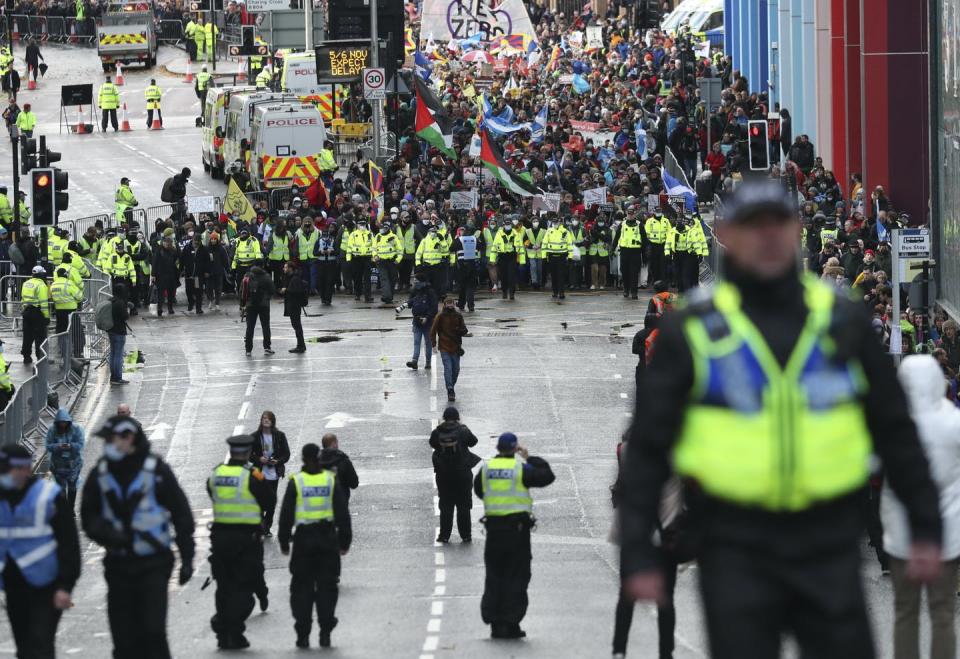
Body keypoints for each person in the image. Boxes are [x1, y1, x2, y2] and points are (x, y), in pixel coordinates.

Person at [619, 182, 943, 658]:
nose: (767, 237)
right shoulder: (692, 328)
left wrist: (925, 527)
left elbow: (895, 431)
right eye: (753, 227)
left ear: (796, 232)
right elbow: (648, 446)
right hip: (734, 544)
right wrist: (637, 549)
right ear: (727, 234)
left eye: (779, 224)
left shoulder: (841, 320)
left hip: (828, 540)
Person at [80, 415, 195, 659]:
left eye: (111, 440)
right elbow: (88, 517)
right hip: (118, 565)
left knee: (153, 632)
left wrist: (187, 558)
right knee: (124, 640)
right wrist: (110, 536)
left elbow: (181, 513)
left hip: (154, 563)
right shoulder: (100, 473)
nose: (107, 445)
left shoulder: (156, 470)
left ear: (128, 438)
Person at [881, 355, 960, 659]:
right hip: (946, 532)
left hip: (902, 533)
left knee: (905, 611)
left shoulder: (893, 423)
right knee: (942, 613)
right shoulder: (953, 421)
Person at [0, 444, 80, 658]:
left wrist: (65, 586)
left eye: (7, 469)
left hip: (46, 586)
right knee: (25, 648)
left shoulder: (48, 496)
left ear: (25, 469)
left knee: (41, 645)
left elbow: (69, 544)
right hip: (13, 585)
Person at [474, 432, 555, 639]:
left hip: (494, 531)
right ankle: (510, 623)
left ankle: (494, 622)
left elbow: (480, 490)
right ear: (514, 449)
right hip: (517, 532)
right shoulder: (521, 469)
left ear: (498, 449)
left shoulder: (487, 469)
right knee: (516, 575)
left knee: (495, 576)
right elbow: (547, 475)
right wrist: (528, 457)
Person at [278, 443, 352, 649]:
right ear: (319, 457)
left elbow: (286, 515)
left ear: (302, 458)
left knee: (301, 588)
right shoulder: (330, 480)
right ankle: (325, 632)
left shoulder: (296, 482)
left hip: (303, 542)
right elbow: (342, 513)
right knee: (327, 587)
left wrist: (284, 541)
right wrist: (344, 541)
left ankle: (303, 633)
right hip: (327, 540)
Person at [207, 434, 271, 650]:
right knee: (244, 589)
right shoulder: (252, 476)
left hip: (220, 541)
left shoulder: (216, 473)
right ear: (246, 453)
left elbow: (211, 492)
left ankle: (224, 634)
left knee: (224, 587)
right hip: (246, 542)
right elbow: (269, 500)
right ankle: (231, 629)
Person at [430, 407, 479, 543]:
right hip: (463, 474)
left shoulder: (437, 432)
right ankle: (466, 535)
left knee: (446, 505)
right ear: (457, 417)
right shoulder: (463, 431)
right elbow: (474, 442)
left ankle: (444, 535)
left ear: (444, 417)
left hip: (444, 475)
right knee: (464, 505)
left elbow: (432, 444)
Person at [249, 411, 291, 536]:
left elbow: (286, 454)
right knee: (259, 500)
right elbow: (249, 455)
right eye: (264, 418)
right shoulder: (255, 436)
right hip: (259, 473)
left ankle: (267, 526)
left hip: (273, 474)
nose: (266, 420)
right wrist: (258, 459)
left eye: (268, 418)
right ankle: (261, 524)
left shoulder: (280, 436)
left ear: (273, 421)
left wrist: (278, 461)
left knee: (271, 501)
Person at [44, 408, 85, 510]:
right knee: (61, 489)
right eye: (61, 423)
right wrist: (58, 446)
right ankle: (64, 510)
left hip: (73, 464)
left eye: (65, 422)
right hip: (58, 465)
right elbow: (48, 446)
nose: (63, 425)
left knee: (72, 487)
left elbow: (80, 444)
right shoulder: (52, 430)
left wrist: (70, 446)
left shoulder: (76, 429)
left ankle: (71, 509)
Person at [430, 297, 468, 402]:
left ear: (454, 304)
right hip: (444, 346)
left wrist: (461, 331)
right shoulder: (440, 316)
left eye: (451, 303)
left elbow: (464, 329)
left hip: (456, 347)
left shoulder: (458, 316)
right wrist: (433, 345)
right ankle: (450, 389)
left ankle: (451, 385)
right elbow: (433, 331)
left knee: (456, 370)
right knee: (448, 368)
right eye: (448, 303)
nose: (450, 305)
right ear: (444, 305)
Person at [405, 271, 438, 370]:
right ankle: (414, 361)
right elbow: (410, 304)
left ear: (422, 281)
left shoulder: (430, 292)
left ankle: (428, 362)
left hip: (428, 322)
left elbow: (434, 307)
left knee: (428, 342)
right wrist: (407, 303)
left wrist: (427, 317)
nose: (415, 283)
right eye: (414, 281)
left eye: (416, 281)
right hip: (416, 320)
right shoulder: (414, 291)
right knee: (416, 342)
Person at [243, 265, 275, 356]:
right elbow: (272, 290)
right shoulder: (266, 276)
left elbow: (242, 291)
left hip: (251, 305)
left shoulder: (247, 276)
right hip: (264, 304)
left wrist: (243, 304)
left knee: (250, 327)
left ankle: (248, 350)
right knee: (265, 326)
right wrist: (267, 297)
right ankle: (267, 348)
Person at [21, 265, 49, 365]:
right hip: (37, 313)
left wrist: (24, 310)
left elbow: (23, 299)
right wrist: (46, 317)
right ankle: (40, 357)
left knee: (27, 336)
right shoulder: (41, 285)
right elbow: (44, 303)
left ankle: (26, 356)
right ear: (41, 274)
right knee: (40, 337)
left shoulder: (26, 283)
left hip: (26, 311)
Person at [319, 433, 359, 500]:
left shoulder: (315, 461)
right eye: (336, 442)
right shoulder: (343, 460)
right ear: (334, 443)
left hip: (321, 500)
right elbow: (354, 483)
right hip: (340, 501)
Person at [543, 218, 573, 301]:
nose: (555, 224)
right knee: (553, 276)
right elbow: (544, 243)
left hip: (561, 257)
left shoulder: (565, 232)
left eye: (556, 222)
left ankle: (561, 292)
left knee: (561, 275)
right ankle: (554, 291)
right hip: (552, 257)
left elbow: (569, 244)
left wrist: (570, 256)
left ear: (560, 223)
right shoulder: (549, 231)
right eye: (554, 222)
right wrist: (544, 257)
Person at [373, 221, 403, 304]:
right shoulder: (378, 236)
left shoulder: (393, 237)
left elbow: (400, 250)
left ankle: (389, 296)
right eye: (381, 228)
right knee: (384, 279)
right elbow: (374, 248)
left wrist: (398, 259)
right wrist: (375, 255)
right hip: (381, 261)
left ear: (387, 229)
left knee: (393, 279)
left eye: (384, 228)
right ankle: (386, 296)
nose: (382, 230)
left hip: (392, 262)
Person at [452, 224, 480, 312]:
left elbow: (451, 248)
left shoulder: (459, 239)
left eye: (461, 230)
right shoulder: (475, 239)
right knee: (470, 286)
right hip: (472, 264)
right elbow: (481, 247)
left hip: (462, 265)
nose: (460, 232)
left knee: (462, 286)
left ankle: (461, 304)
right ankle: (471, 305)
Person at [280, 261, 307, 353]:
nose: (284, 269)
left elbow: (296, 291)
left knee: (297, 325)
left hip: (295, 305)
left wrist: (286, 290)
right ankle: (300, 345)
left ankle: (301, 345)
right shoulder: (290, 277)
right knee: (296, 325)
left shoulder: (295, 279)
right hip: (292, 305)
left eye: (286, 267)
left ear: (290, 268)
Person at [151, 235, 180, 317]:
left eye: (169, 242)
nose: (167, 244)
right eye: (166, 242)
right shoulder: (159, 251)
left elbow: (177, 259)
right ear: (162, 243)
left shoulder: (173, 251)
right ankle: (159, 308)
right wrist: (153, 274)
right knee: (161, 293)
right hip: (161, 275)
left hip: (171, 274)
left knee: (171, 293)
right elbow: (154, 263)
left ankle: (170, 308)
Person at [618, 213, 644, 299]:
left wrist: (645, 253)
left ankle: (634, 292)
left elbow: (644, 239)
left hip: (635, 252)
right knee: (624, 272)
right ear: (626, 214)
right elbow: (617, 237)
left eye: (632, 214)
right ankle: (626, 289)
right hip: (624, 251)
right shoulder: (622, 224)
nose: (630, 215)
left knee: (634, 273)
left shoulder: (639, 225)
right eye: (629, 213)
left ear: (634, 215)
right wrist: (612, 248)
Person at [108, 282, 130, 385]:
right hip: (119, 331)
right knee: (118, 355)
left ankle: (113, 377)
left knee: (113, 354)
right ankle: (117, 377)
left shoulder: (110, 301)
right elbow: (125, 317)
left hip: (111, 330)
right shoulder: (120, 303)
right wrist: (128, 309)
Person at [50, 266, 82, 334]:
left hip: (59, 310)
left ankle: (62, 344)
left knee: (61, 330)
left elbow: (51, 297)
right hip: (71, 310)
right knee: (74, 330)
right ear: (66, 274)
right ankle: (74, 344)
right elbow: (79, 296)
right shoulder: (69, 283)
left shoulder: (53, 284)